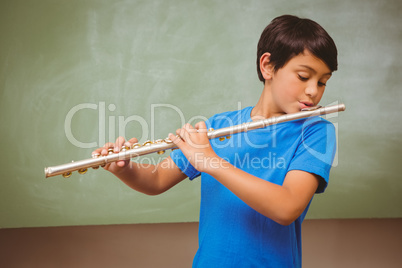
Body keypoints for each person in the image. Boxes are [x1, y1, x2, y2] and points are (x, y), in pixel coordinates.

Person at [93, 15, 338, 267]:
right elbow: (156, 179)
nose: (313, 91)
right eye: (303, 76)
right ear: (268, 66)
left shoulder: (316, 133)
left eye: (322, 82)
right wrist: (124, 168)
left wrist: (211, 162)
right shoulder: (218, 127)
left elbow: (287, 207)